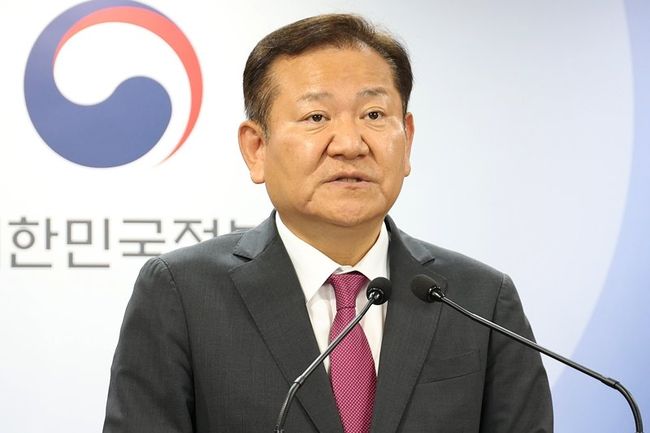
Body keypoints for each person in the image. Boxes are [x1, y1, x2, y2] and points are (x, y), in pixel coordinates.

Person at [103, 14, 552, 433]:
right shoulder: (183, 294)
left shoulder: (480, 301)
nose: (350, 144)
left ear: (408, 140)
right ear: (257, 148)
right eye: (316, 117)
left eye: (374, 115)